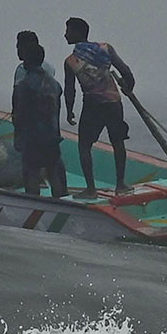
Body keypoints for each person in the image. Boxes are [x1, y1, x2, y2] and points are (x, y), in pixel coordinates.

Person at [63, 17, 135, 198]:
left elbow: (69, 90)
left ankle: (91, 189)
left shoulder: (71, 61)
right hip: (114, 103)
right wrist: (129, 88)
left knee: (84, 146)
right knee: (117, 142)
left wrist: (69, 110)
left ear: (78, 33)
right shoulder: (105, 49)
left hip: (92, 106)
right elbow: (125, 71)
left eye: (68, 31)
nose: (65, 35)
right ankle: (121, 185)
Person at [12, 43, 68, 197]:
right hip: (52, 138)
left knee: (31, 174)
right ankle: (62, 203)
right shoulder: (55, 85)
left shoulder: (23, 86)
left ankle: (33, 205)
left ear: (27, 61)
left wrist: (18, 138)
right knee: (54, 173)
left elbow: (19, 115)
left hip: (33, 139)